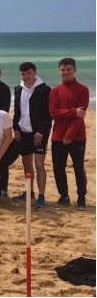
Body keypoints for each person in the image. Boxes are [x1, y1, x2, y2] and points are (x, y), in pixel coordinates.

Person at [49, 58, 89, 211]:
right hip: (57, 136)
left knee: (79, 168)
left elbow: (81, 116)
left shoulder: (83, 90)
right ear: (59, 71)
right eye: (63, 69)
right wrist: (72, 111)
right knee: (58, 168)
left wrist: (70, 135)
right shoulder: (55, 91)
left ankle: (81, 197)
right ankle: (64, 196)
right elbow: (53, 113)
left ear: (75, 70)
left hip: (77, 137)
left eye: (68, 69)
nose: (65, 72)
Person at [12, 62, 52, 208]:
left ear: (34, 72)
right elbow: (17, 111)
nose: (26, 76)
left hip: (39, 133)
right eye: (23, 74)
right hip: (23, 133)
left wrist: (41, 131)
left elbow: (49, 114)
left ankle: (41, 196)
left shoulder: (45, 90)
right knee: (26, 164)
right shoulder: (18, 90)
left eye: (28, 73)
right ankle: (30, 192)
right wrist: (15, 127)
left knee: (39, 164)